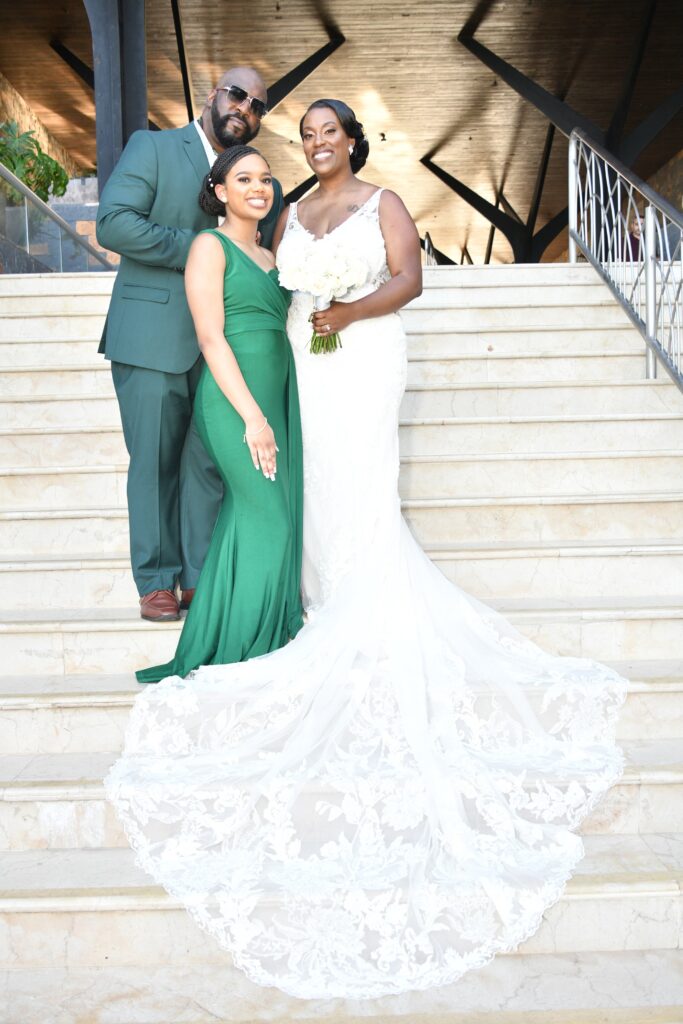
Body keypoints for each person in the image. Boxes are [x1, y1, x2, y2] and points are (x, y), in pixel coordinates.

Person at [106, 99, 627, 1000]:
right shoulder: (286, 215)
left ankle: (363, 599)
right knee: (314, 491)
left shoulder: (381, 201)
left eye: (326, 132)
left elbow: (407, 281)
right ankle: (308, 597)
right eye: (301, 136)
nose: (312, 145)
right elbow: (251, 296)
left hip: (360, 349)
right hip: (300, 363)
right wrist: (310, 332)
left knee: (359, 481)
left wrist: (343, 318)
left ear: (353, 138)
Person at [96, 67, 283, 622]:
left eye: (257, 104)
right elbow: (113, 223)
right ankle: (156, 580)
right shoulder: (153, 148)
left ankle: (200, 577)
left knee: (208, 462)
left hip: (225, 345)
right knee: (154, 459)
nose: (244, 106)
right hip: (153, 337)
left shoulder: (251, 178)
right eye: (236, 94)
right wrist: (202, 247)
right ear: (212, 96)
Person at [136, 146, 303, 684]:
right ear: (221, 192)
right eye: (245, 178)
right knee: (268, 518)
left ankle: (251, 631)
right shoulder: (209, 246)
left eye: (267, 179)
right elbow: (210, 338)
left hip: (276, 395)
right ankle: (250, 645)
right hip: (235, 402)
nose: (259, 188)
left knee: (260, 518)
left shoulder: (272, 258)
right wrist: (254, 419)